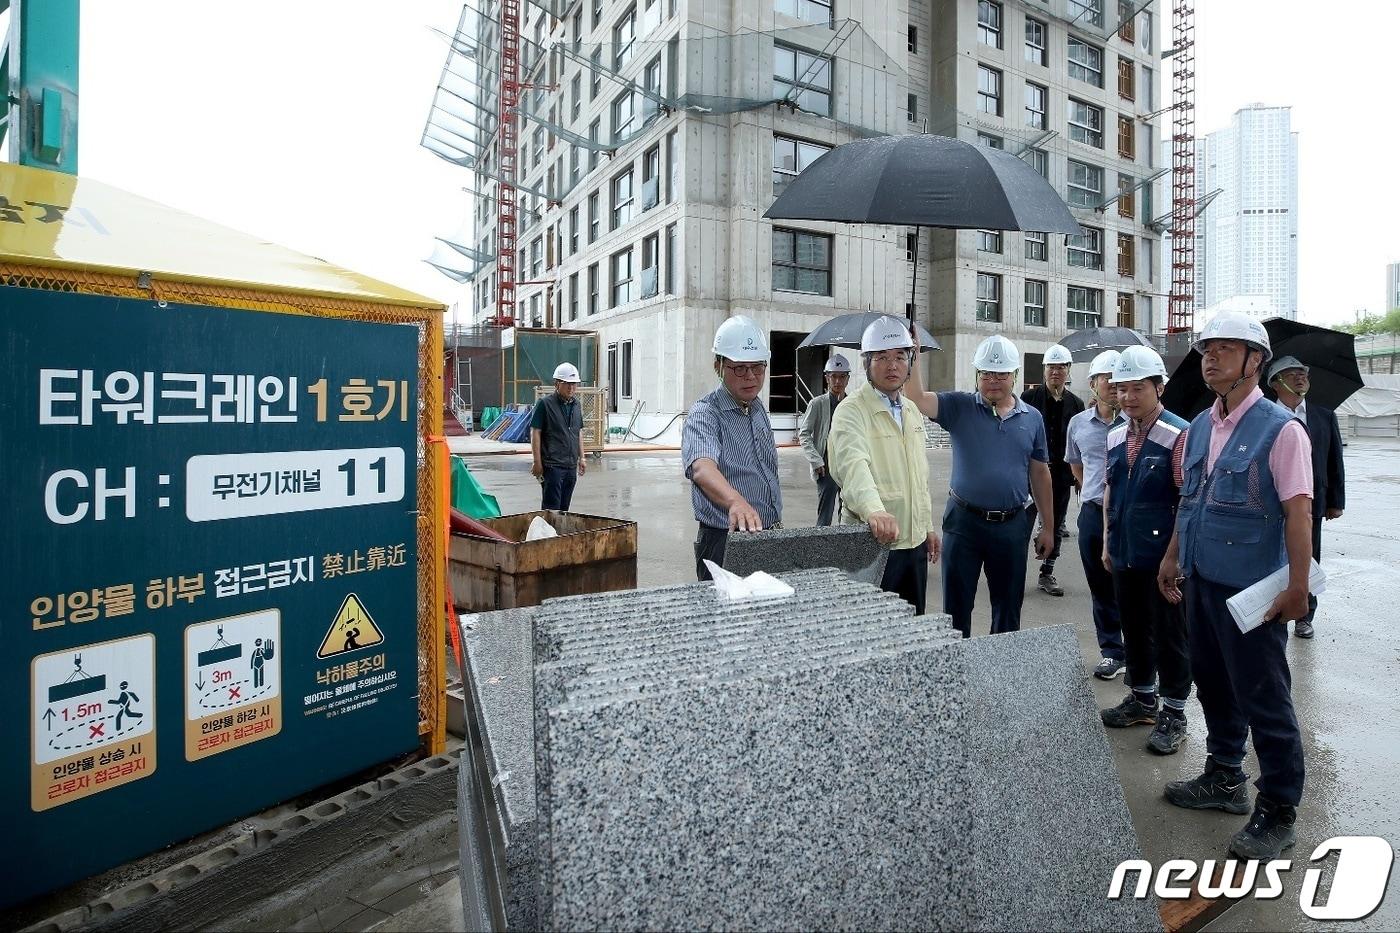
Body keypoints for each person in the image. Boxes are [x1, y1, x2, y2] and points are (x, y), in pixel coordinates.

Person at [1158, 311, 1313, 860]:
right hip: (1202, 582)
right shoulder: (1200, 424)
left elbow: (1298, 513)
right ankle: (1225, 778)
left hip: (1253, 591)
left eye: (1226, 348)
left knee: (1264, 696)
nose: (1211, 358)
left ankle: (1278, 809)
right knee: (1214, 684)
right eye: (1206, 349)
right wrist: (1174, 554)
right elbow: (1190, 499)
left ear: (1256, 361)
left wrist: (1298, 587)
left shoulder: (1283, 430)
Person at [905, 334, 1055, 637]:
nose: (993, 380)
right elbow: (917, 399)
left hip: (1012, 525)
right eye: (986, 372)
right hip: (963, 524)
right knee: (956, 609)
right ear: (977, 375)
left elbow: (1039, 473)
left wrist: (1048, 527)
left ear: (1014, 376)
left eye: (1001, 373)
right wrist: (913, 357)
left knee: (1008, 608)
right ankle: (958, 676)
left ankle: (999, 675)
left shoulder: (1032, 418)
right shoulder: (958, 406)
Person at [1098, 346, 1193, 755]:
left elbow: (1187, 500)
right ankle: (1142, 698)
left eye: (1138, 388)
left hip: (1162, 557)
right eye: (1122, 389)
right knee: (1133, 626)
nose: (1129, 397)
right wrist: (1107, 541)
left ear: (1159, 387)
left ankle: (1173, 710)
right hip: (1124, 550)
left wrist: (1172, 558)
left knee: (1171, 634)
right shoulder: (1116, 434)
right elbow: (1109, 490)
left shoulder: (1178, 434)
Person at [827, 317, 940, 613]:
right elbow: (853, 466)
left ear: (910, 361)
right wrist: (873, 509)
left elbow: (919, 476)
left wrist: (925, 526)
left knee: (911, 628)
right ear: (866, 362)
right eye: (882, 357)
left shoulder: (912, 411)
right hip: (871, 545)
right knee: (869, 631)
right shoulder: (852, 411)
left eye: (900, 356)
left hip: (913, 545)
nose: (892, 365)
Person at [681, 316, 783, 580]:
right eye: (739, 368)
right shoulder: (706, 413)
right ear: (719, 366)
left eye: (757, 367)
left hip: (767, 534)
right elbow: (703, 469)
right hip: (723, 542)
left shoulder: (757, 407)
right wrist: (735, 501)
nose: (750, 376)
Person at [1268, 355, 1345, 638]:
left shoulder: (1324, 416)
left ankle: (1304, 614)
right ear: (1275, 384)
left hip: (1312, 502)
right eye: (1290, 374)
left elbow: (1334, 459)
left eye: (1303, 374)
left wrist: (1336, 501)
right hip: (1272, 503)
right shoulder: (1265, 418)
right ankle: (1274, 606)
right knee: (1274, 557)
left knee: (1309, 556)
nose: (1300, 378)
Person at [1065, 349, 1126, 681]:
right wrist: (1094, 492)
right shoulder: (1078, 424)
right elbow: (1076, 465)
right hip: (1091, 513)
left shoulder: (1136, 421)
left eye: (1120, 380)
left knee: (1131, 584)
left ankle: (1140, 651)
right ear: (1093, 384)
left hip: (1128, 515)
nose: (1115, 387)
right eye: (1108, 380)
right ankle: (1112, 651)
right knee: (1100, 586)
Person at [1021, 344, 1084, 596]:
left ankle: (1047, 572)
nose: (1055, 372)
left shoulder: (1076, 404)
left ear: (1068, 371)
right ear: (1044, 370)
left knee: (1055, 524)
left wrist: (1080, 476)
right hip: (1029, 477)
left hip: (1060, 477)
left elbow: (1080, 443)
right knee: (1021, 525)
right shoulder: (1028, 399)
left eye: (1060, 367)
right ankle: (1013, 570)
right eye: (1051, 367)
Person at [798, 355, 852, 526]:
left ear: (848, 379)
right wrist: (816, 460)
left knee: (849, 512)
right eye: (833, 376)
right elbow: (804, 434)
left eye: (842, 376)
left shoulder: (852, 405)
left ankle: (844, 548)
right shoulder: (817, 404)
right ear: (827, 378)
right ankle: (822, 548)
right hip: (825, 467)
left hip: (848, 466)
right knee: (825, 515)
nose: (837, 381)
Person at [530, 362, 586, 510]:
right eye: (567, 384)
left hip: (570, 466)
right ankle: (548, 533)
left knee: (564, 510)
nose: (571, 388)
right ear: (557, 384)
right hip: (552, 466)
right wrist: (537, 462)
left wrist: (583, 457)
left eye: (574, 384)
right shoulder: (545, 404)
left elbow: (578, 431)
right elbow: (536, 432)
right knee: (551, 510)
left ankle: (560, 533)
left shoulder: (576, 405)